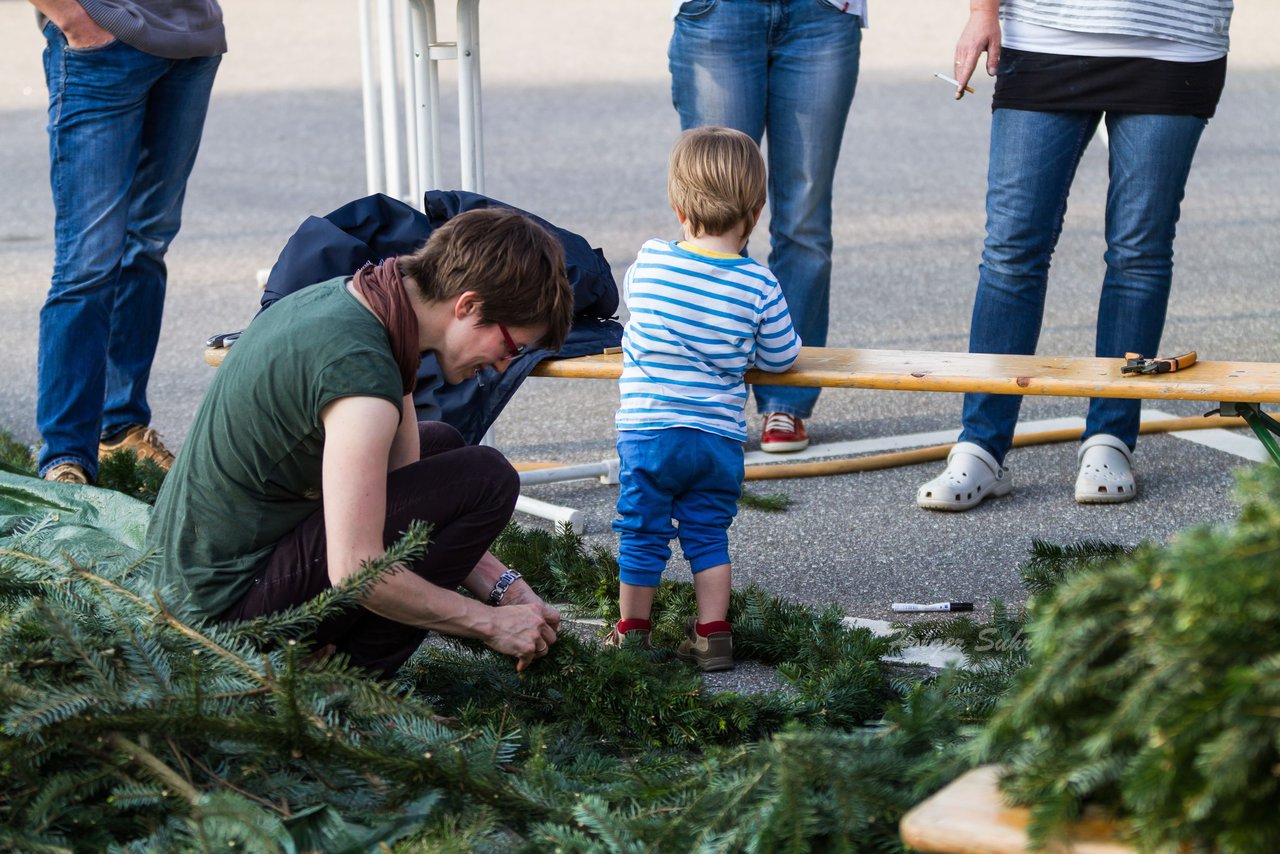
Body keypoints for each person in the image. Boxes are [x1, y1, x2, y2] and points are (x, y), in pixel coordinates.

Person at [146, 208, 575, 677]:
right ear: (468, 306)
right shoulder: (362, 377)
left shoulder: (363, 300)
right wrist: (488, 624)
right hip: (214, 621)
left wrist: (505, 588)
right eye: (512, 348)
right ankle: (350, 685)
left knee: (445, 447)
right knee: (487, 479)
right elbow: (356, 570)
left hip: (200, 581)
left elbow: (404, 484)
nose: (501, 367)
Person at [917, 0, 1232, 511]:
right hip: (1046, 34)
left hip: (1176, 38)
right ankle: (980, 444)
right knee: (1011, 249)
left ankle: (1111, 438)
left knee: (1139, 252)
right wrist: (981, 12)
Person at [608, 127, 802, 672]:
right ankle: (714, 635)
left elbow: (634, 306)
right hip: (715, 437)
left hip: (649, 431)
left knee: (642, 532)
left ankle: (632, 636)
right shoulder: (759, 284)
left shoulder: (649, 264)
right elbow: (782, 357)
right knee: (707, 533)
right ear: (757, 212)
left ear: (678, 206)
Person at [30, 0, 226, 484]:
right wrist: (75, 20)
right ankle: (66, 457)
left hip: (191, 41)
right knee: (88, 263)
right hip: (100, 43)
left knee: (146, 245)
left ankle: (121, 430)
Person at [669, 0, 865, 454]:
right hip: (720, 12)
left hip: (822, 14)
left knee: (805, 223)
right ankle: (706, 405)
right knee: (711, 214)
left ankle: (786, 402)